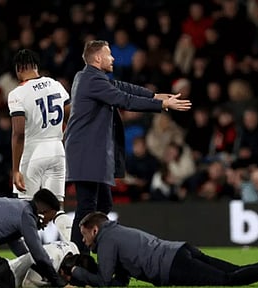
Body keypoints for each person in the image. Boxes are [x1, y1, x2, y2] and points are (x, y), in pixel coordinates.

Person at [64, 40, 192, 254]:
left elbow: (123, 87)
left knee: (104, 205)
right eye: (109, 54)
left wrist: (154, 95)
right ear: (97, 59)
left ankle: (93, 247)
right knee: (86, 207)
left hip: (92, 153)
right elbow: (123, 99)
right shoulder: (90, 80)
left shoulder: (90, 77)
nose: (113, 58)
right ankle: (76, 258)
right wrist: (161, 105)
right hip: (85, 153)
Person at [71, 211, 258, 287]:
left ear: (95, 230)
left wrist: (77, 273)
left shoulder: (107, 241)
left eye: (84, 235)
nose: (84, 240)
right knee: (234, 270)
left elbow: (105, 282)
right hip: (180, 250)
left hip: (172, 265)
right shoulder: (117, 232)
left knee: (230, 280)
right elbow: (121, 279)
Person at [7, 48, 72, 242]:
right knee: (57, 208)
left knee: (27, 211)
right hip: (57, 149)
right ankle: (73, 250)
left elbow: (18, 134)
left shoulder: (17, 93)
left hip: (32, 152)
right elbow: (71, 115)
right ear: (36, 66)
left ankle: (32, 260)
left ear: (19, 69)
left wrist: (16, 169)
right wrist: (60, 134)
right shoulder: (56, 85)